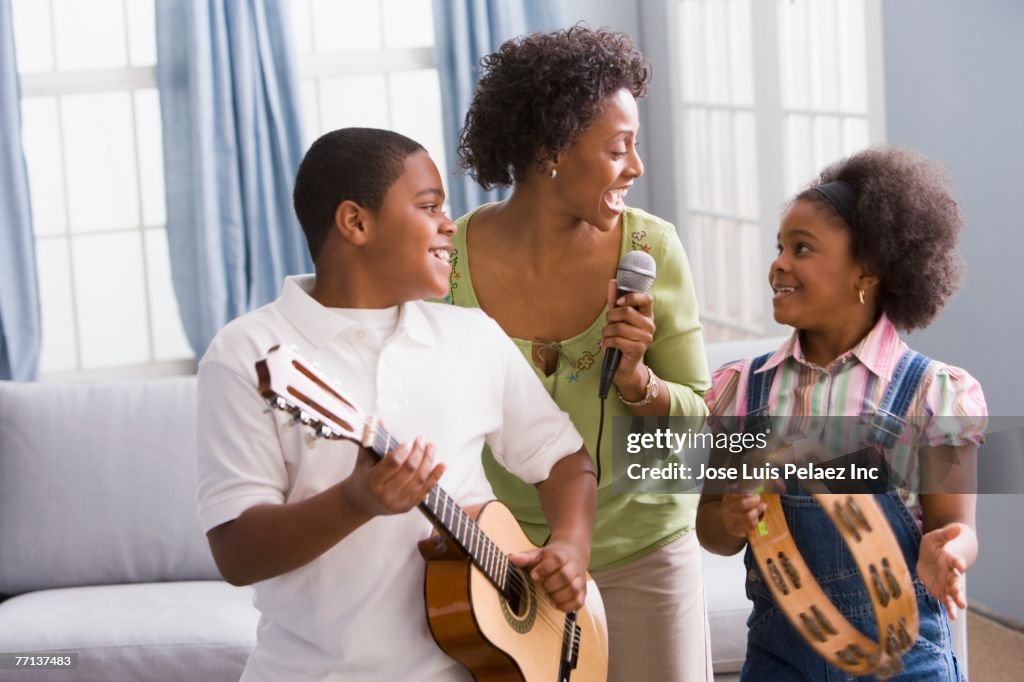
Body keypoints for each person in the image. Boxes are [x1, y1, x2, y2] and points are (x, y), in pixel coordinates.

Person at [196, 128, 598, 682]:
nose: (448, 224)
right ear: (356, 223)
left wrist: (572, 547)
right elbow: (236, 554)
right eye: (429, 206)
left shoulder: (472, 336)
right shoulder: (249, 352)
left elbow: (564, 460)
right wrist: (354, 501)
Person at [442, 26, 713, 680]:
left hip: (643, 552)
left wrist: (639, 383)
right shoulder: (448, 261)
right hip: (502, 564)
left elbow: (701, 423)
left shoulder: (652, 249)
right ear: (550, 149)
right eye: (620, 148)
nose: (637, 168)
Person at [697, 146, 987, 680]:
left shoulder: (935, 396)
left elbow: (955, 527)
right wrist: (730, 517)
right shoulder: (742, 390)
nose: (778, 263)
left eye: (802, 248)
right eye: (780, 246)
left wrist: (949, 555)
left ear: (868, 270)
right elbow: (711, 529)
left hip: (906, 661)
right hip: (780, 659)